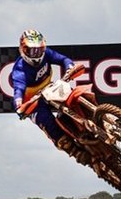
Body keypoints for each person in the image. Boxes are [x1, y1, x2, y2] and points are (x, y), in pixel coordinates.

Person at [11, 29, 90, 165]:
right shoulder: (19, 70)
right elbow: (18, 90)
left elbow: (63, 59)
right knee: (47, 121)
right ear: (22, 50)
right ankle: (75, 151)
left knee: (75, 95)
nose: (36, 54)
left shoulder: (47, 53)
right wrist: (19, 105)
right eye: (31, 51)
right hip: (32, 101)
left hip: (50, 88)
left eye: (39, 50)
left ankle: (96, 116)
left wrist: (70, 67)